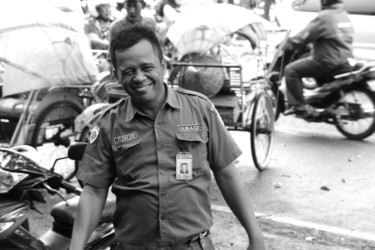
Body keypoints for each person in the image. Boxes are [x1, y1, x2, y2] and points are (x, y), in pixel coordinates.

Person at [70, 24, 265, 250]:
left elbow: (227, 174)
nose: (139, 77)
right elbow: (94, 190)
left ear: (163, 65)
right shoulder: (109, 123)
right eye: (128, 71)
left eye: (146, 67)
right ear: (116, 75)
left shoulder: (200, 109)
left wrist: (255, 237)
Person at [284, 0, 354, 115]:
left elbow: (303, 37)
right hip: (344, 59)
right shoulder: (343, 14)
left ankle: (298, 106)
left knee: (291, 70)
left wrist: (286, 44)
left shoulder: (325, 17)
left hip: (327, 60)